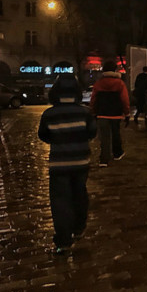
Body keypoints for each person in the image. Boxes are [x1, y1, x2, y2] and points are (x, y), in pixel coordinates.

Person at [38, 74, 97, 254]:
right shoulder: (85, 112)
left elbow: (43, 135)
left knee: (60, 200)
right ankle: (79, 228)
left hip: (59, 163)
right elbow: (92, 132)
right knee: (80, 194)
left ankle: (63, 240)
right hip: (81, 161)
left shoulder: (49, 114)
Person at [90, 60, 129, 166]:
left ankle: (104, 159)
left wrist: (93, 111)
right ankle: (117, 153)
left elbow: (93, 99)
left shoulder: (99, 83)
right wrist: (127, 112)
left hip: (102, 113)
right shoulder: (120, 83)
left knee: (104, 137)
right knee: (116, 134)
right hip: (116, 113)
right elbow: (124, 99)